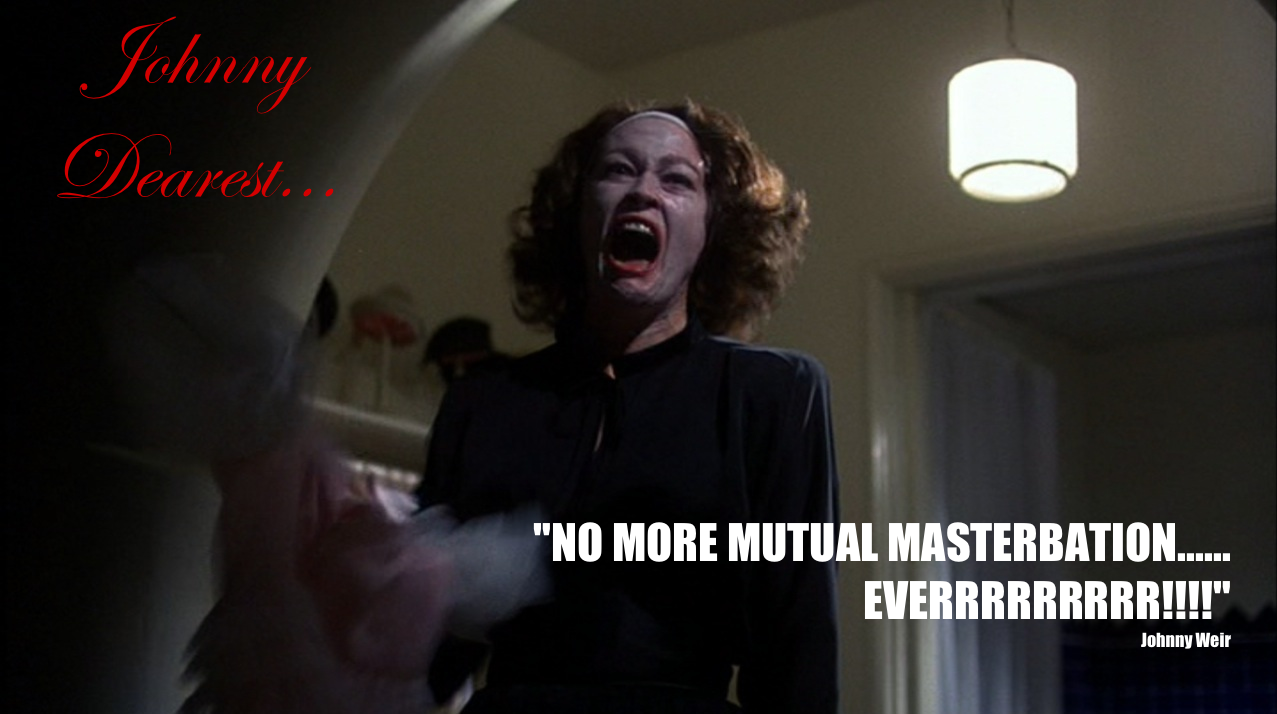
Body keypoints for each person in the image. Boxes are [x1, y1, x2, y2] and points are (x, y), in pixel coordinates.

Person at [416, 100, 839, 713]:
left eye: (677, 180)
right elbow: (426, 659)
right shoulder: (483, 401)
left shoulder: (773, 393)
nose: (643, 191)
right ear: (577, 212)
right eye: (618, 170)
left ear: (712, 225)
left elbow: (797, 654)